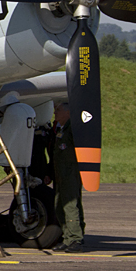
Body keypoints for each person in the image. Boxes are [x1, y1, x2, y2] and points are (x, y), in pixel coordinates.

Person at [50, 102, 85, 252]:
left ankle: (75, 239)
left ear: (68, 113)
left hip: (70, 173)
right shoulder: (61, 129)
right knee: (60, 206)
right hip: (61, 175)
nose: (55, 113)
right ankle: (68, 238)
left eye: (58, 110)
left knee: (70, 205)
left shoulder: (72, 129)